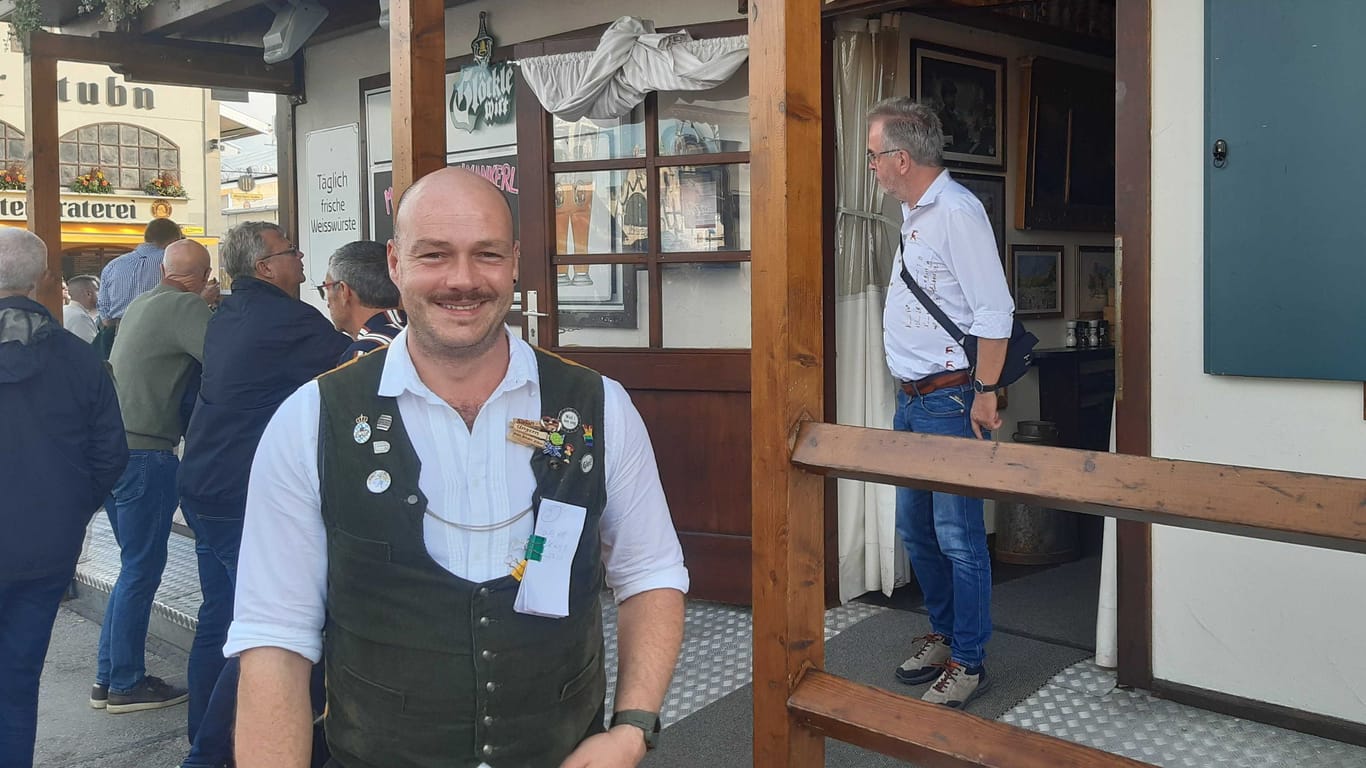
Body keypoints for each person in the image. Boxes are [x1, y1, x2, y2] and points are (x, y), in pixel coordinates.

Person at [230, 169, 688, 768]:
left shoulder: (600, 406)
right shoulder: (309, 420)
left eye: (487, 254)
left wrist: (631, 730)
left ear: (516, 261)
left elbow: (651, 572)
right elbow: (275, 642)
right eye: (434, 255)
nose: (463, 280)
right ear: (395, 263)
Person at [178, 222, 350, 768]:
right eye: (291, 253)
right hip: (238, 493)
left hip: (203, 482)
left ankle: (200, 735)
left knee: (220, 613)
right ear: (264, 267)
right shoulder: (291, 320)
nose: (301, 262)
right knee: (266, 634)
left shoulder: (227, 311)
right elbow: (362, 372)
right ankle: (209, 754)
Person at [866, 98, 1014, 709]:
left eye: (874, 156)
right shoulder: (915, 214)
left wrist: (983, 392)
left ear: (901, 158)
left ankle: (970, 660)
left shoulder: (956, 211)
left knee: (957, 537)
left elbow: (994, 310)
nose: (871, 167)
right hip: (912, 402)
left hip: (951, 400)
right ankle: (949, 634)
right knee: (917, 533)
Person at [0, 229, 128, 767]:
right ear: (44, 281)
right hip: (45, 548)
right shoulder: (79, 359)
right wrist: (69, 509)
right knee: (18, 680)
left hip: (42, 538)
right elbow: (110, 456)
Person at [92, 239, 215, 715]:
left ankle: (109, 677)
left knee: (130, 570)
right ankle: (125, 681)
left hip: (113, 451)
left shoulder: (144, 302)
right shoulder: (186, 307)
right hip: (147, 453)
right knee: (142, 571)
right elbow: (225, 361)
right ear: (203, 276)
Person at [95, 218, 183, 358]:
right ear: (173, 242)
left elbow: (105, 317)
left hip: (117, 338)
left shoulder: (112, 265)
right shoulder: (172, 264)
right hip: (158, 338)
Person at [319, 240, 407, 364]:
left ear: (344, 291)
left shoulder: (364, 355)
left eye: (326, 288)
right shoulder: (419, 337)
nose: (327, 303)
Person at [64, 274, 100, 343]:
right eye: (97, 290)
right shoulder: (80, 318)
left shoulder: (65, 310)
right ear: (88, 294)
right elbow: (91, 349)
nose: (101, 294)